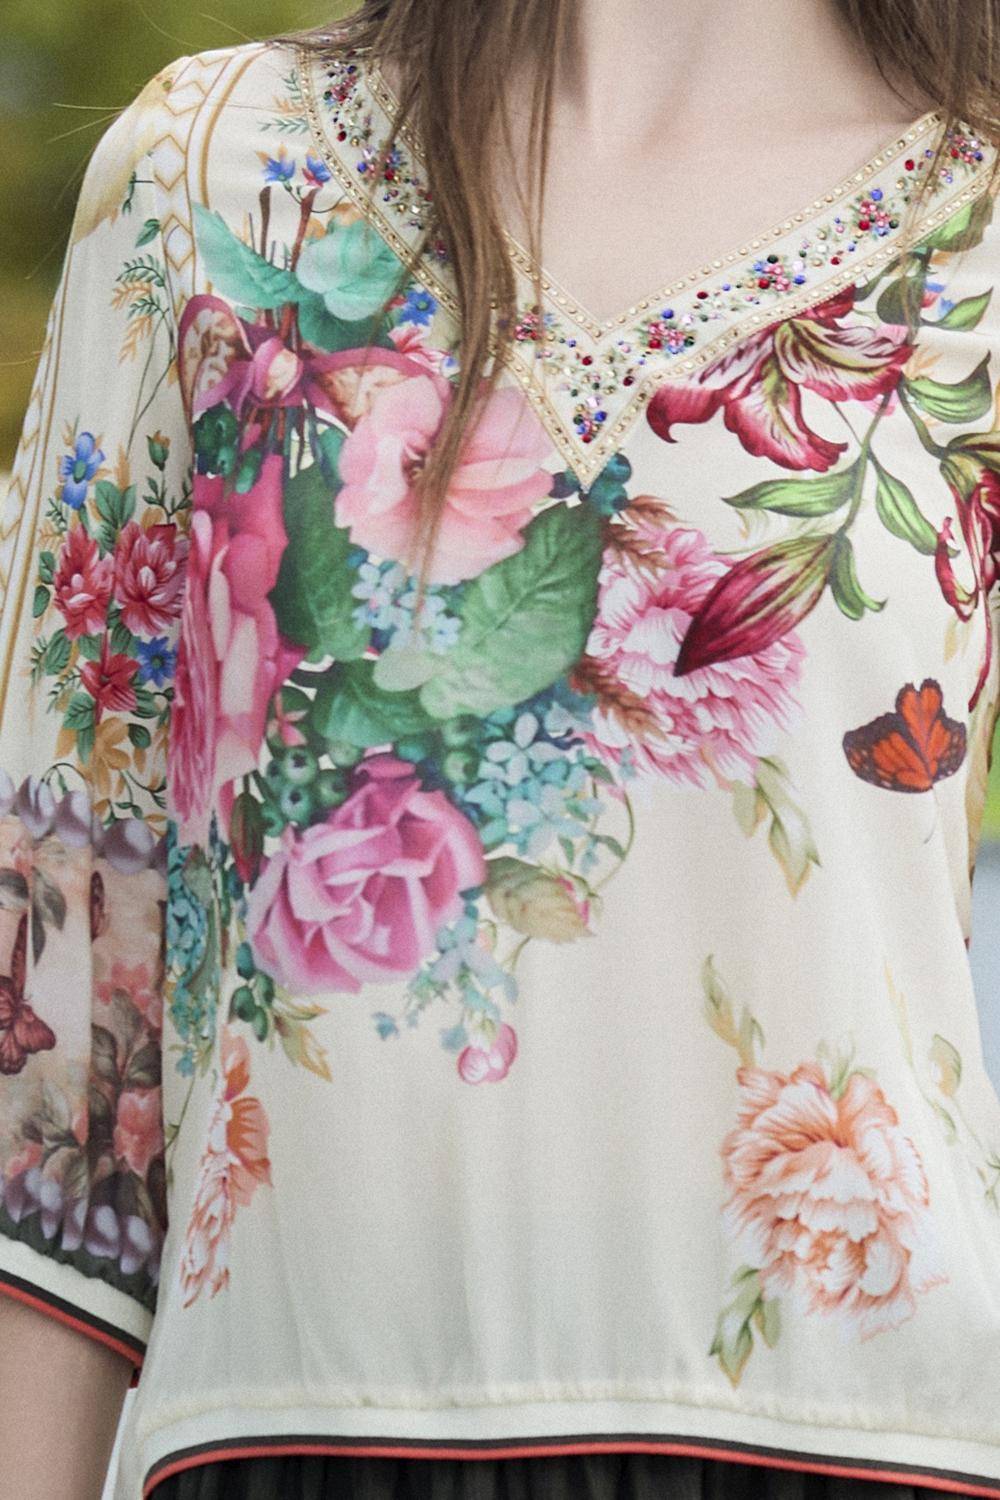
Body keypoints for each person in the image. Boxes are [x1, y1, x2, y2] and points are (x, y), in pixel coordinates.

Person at [2, 0, 1000, 1496]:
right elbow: (59, 1026)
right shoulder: (210, 176)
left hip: (868, 1439)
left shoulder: (977, 235)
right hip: (295, 1428)